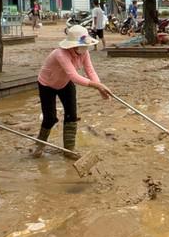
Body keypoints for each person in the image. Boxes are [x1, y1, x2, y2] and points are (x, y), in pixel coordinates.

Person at [33, 25, 111, 157]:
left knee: (72, 115)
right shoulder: (60, 54)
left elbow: (90, 70)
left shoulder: (84, 52)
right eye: (82, 45)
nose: (86, 48)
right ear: (73, 45)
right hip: (47, 84)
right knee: (50, 118)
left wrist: (100, 87)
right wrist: (97, 86)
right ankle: (39, 146)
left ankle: (69, 150)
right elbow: (74, 76)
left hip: (64, 83)